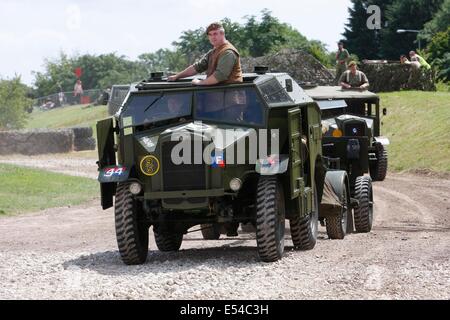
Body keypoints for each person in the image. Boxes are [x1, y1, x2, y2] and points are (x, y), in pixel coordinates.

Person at [168, 22, 243, 85]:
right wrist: (177, 76)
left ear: (222, 34)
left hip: (231, 97)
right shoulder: (213, 52)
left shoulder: (228, 52)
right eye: (210, 35)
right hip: (219, 96)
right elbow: (197, 67)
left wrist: (199, 82)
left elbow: (220, 76)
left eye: (215, 34)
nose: (212, 37)